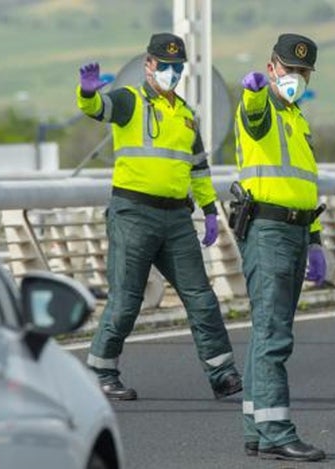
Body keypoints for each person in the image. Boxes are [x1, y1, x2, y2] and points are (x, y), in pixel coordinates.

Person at [75, 32, 242, 401]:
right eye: (163, 65)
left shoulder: (185, 115)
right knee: (126, 298)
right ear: (148, 64)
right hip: (133, 213)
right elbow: (97, 108)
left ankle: (222, 373)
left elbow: (198, 168)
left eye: (176, 67)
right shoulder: (129, 100)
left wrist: (211, 209)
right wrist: (87, 93)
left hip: (177, 219)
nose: (170, 72)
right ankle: (101, 371)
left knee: (201, 295)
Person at [233, 33, 328, 462]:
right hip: (268, 230)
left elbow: (304, 185)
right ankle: (276, 430)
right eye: (289, 69)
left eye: (303, 72)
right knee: (274, 335)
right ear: (272, 67)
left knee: (265, 334)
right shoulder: (263, 105)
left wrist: (316, 240)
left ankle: (256, 425)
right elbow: (253, 118)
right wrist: (253, 93)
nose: (296, 77)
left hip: (294, 230)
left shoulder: (297, 117)